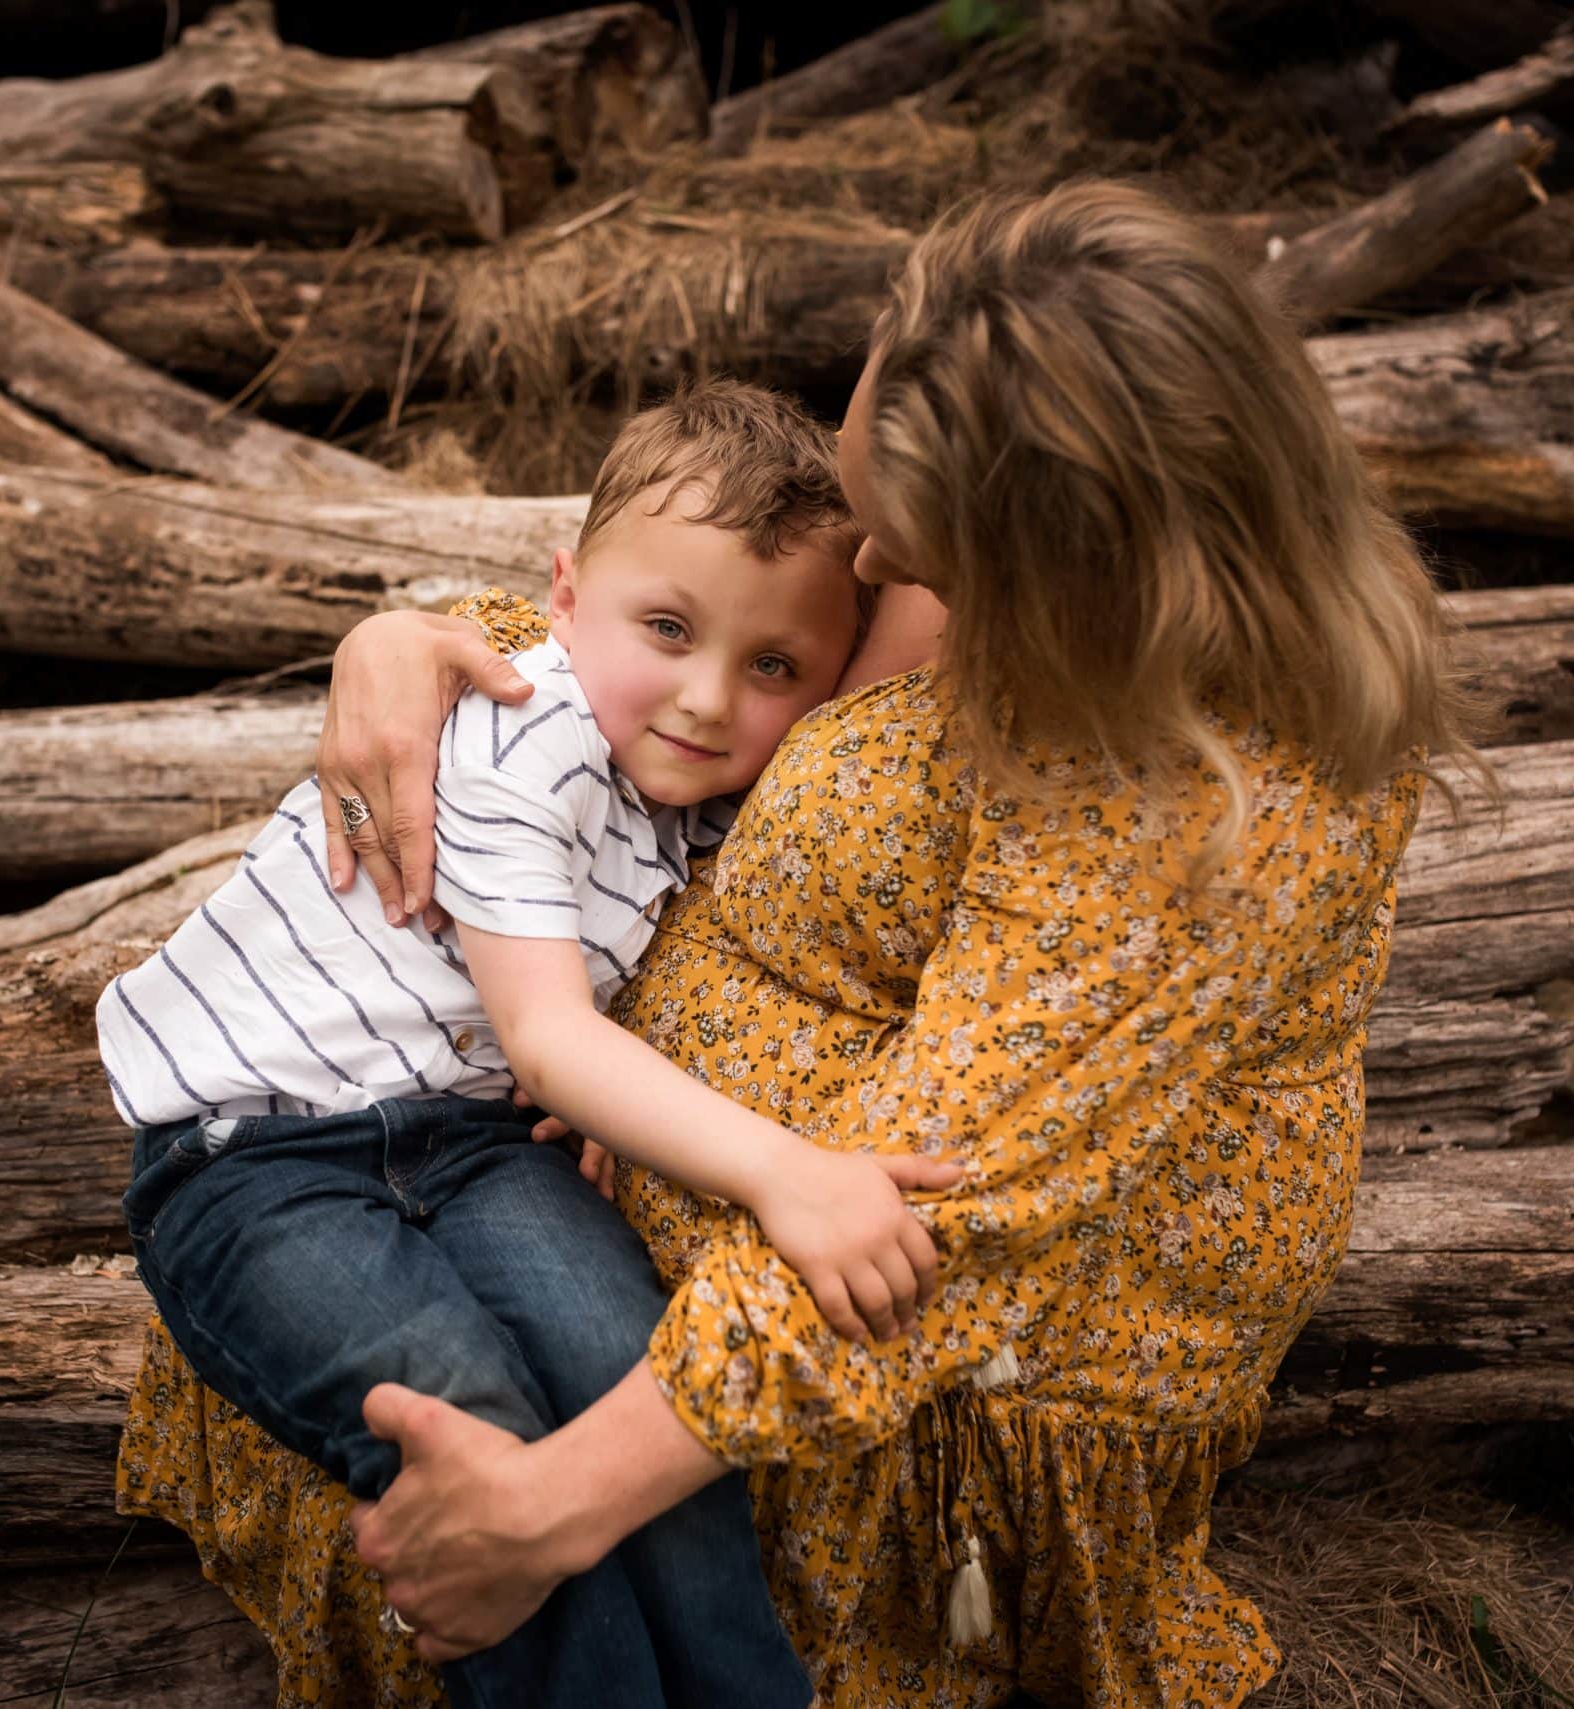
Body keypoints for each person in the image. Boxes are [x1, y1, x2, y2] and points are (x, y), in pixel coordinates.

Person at [116, 179, 1482, 1707]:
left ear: (1076, 568)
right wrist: (411, 640)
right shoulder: (945, 530)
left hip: (878, 1360)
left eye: (926, 547)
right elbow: (661, 622)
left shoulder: (1212, 804)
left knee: (506, 1490)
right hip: (525, 1161)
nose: (885, 568)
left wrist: (551, 1508)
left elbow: (940, 1243)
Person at [105, 380, 959, 1709]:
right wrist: (788, 1171)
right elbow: (550, 1040)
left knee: (639, 1367)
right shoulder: (534, 730)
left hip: (471, 1145)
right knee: (469, 1411)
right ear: (562, 596)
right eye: (668, 628)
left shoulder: (682, 789)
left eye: (772, 666)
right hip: (256, 1159)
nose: (705, 697)